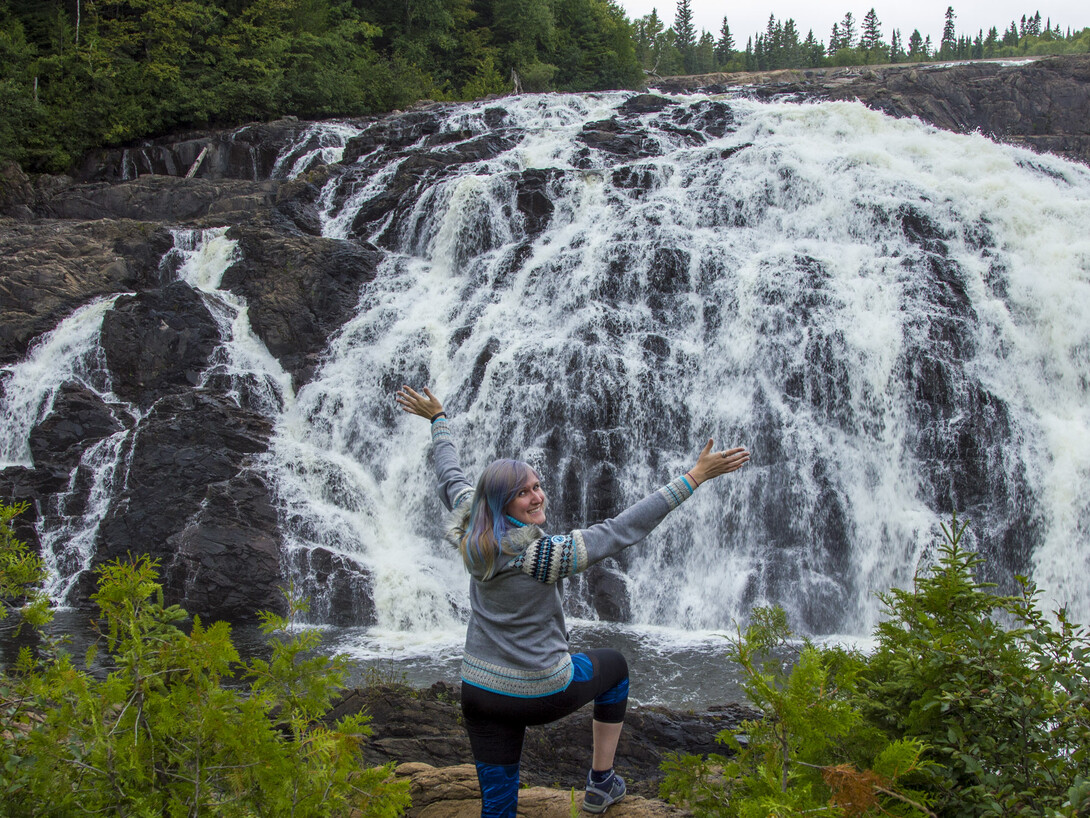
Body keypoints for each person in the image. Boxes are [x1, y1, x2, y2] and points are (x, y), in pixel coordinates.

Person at [396, 385, 750, 817]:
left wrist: (439, 422)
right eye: (524, 493)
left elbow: (450, 476)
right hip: (540, 692)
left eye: (537, 486)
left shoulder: (473, 528)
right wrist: (693, 477)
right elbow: (621, 529)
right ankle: (601, 783)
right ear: (504, 503)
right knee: (614, 666)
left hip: (480, 692)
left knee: (499, 808)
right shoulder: (542, 556)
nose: (538, 496)